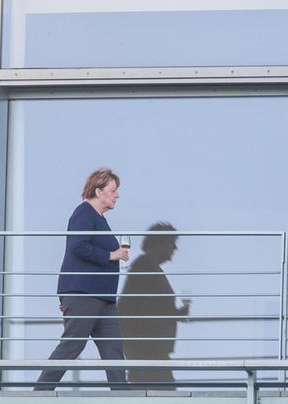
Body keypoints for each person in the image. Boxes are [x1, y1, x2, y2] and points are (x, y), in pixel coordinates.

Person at [35, 167, 130, 390]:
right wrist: (111, 255)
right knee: (73, 344)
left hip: (103, 299)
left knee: (113, 349)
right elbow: (77, 246)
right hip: (85, 294)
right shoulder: (84, 212)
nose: (117, 195)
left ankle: (123, 396)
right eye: (113, 190)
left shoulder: (100, 219)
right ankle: (40, 392)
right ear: (98, 191)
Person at [118, 222, 190, 384]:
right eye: (172, 243)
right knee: (162, 388)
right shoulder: (145, 267)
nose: (175, 248)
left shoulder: (148, 267)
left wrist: (175, 314)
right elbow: (132, 306)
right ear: (160, 244)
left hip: (149, 346)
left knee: (146, 387)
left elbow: (149, 306)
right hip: (146, 347)